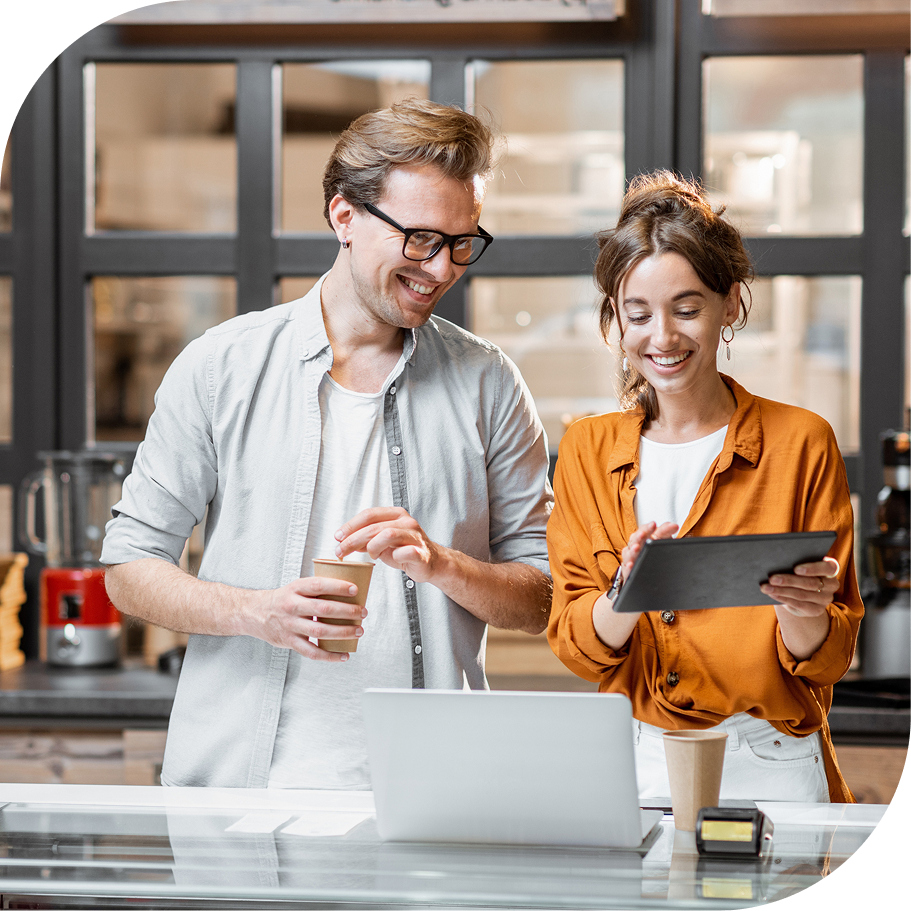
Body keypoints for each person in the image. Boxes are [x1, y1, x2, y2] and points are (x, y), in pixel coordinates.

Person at [101, 98, 553, 789]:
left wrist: (444, 566)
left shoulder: (487, 382)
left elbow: (545, 594)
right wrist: (256, 611)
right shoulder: (222, 364)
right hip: (239, 796)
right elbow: (129, 566)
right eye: (421, 239)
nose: (442, 268)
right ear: (345, 217)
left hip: (433, 794)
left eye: (462, 242)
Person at [546, 170, 863, 803]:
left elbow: (829, 659)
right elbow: (580, 649)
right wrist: (626, 592)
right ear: (614, 318)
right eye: (638, 315)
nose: (662, 338)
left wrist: (800, 610)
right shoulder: (586, 448)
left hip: (770, 758)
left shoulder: (802, 441)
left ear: (731, 305)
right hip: (632, 761)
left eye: (687, 309)